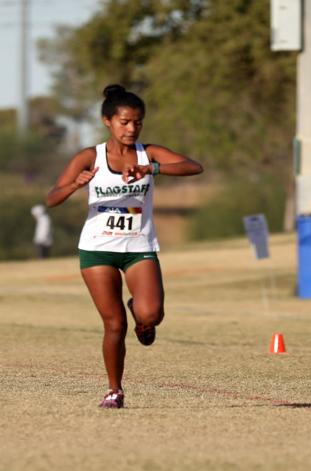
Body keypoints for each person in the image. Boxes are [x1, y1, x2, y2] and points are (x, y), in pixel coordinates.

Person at [45, 84, 203, 410]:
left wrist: (152, 168)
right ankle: (114, 390)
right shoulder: (90, 157)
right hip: (97, 248)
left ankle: (141, 315)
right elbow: (52, 198)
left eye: (138, 122)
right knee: (114, 324)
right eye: (125, 122)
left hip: (138, 245)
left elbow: (193, 166)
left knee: (151, 314)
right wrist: (76, 184)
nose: (132, 129)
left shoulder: (149, 153)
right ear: (108, 121)